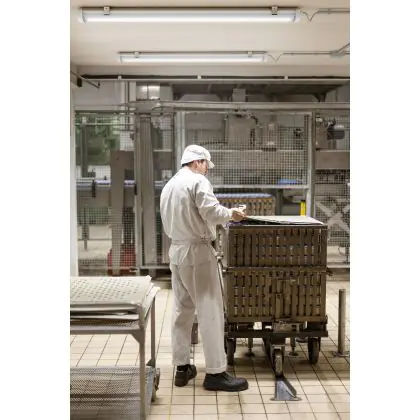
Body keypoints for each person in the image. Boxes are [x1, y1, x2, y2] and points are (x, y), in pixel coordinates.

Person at [160, 144, 249, 392]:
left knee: (182, 311)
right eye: (207, 165)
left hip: (177, 252)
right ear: (198, 162)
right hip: (197, 253)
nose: (207, 170)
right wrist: (233, 213)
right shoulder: (197, 181)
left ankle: (182, 368)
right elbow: (211, 212)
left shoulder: (170, 185)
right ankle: (216, 373)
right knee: (210, 311)